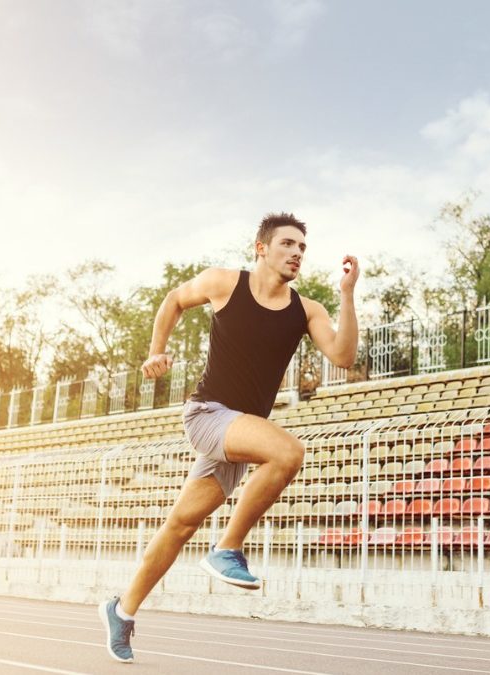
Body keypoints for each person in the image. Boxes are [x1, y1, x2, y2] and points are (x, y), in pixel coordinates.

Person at [99, 212, 359, 663]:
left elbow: (343, 354)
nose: (297, 253)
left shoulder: (306, 310)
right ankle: (228, 548)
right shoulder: (224, 283)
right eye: (287, 244)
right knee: (288, 452)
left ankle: (121, 610)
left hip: (240, 430)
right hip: (208, 414)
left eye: (302, 247)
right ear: (262, 248)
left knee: (180, 525)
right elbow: (174, 300)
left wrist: (347, 295)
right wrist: (156, 350)